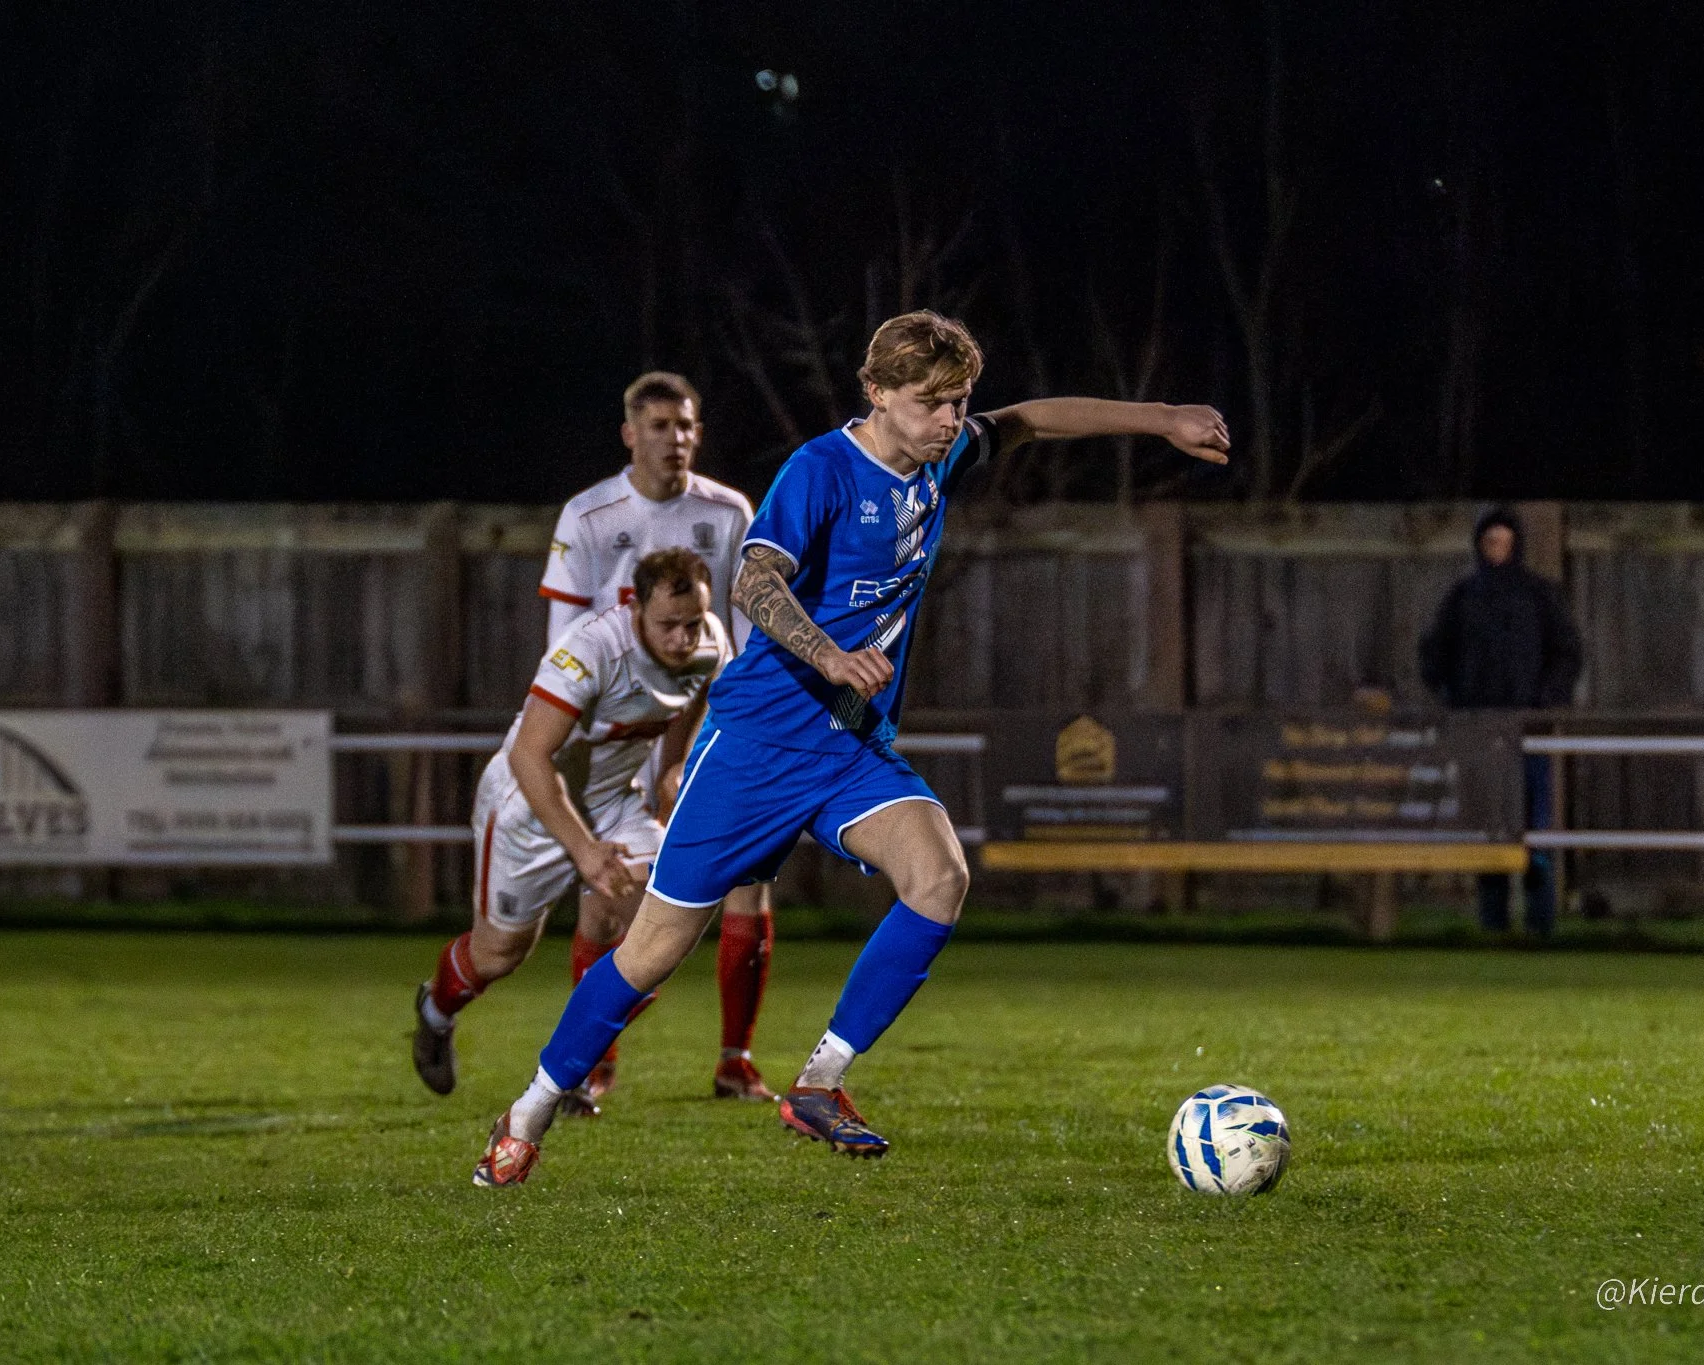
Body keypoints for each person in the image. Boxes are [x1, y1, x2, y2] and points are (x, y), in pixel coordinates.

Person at [470, 311, 1231, 1186]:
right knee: (648, 954)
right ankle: (527, 1111)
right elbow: (755, 581)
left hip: (846, 750)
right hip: (756, 745)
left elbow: (1029, 418)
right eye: (929, 402)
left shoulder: (938, 457)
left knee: (940, 876)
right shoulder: (823, 470)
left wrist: (1164, 416)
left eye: (958, 402)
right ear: (876, 393)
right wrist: (828, 653)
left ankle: (819, 1082)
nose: (949, 420)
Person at [412, 549, 727, 1112]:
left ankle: (572, 1067)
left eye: (692, 623)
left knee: (665, 928)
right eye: (667, 625)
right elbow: (531, 757)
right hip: (529, 806)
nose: (683, 639)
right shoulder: (591, 649)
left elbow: (707, 695)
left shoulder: (710, 641)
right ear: (635, 606)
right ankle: (435, 1012)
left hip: (612, 801)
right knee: (500, 953)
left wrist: (677, 762)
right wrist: (583, 851)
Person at [538, 371, 777, 1103]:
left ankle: (735, 1060)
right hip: (615, 736)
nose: (676, 438)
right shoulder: (587, 515)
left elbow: (741, 643)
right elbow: (565, 642)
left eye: (687, 425)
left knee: (747, 883)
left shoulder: (729, 512)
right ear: (630, 433)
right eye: (661, 425)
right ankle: (594, 1063)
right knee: (608, 902)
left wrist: (714, 739)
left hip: (712, 726)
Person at [1418, 506, 1582, 935]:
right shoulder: (1463, 597)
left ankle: (1541, 923)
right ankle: (1492, 924)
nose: (1498, 549)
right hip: (1480, 733)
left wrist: (1544, 704)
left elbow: (1567, 653)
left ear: (1517, 544)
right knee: (1487, 826)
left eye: (1505, 541)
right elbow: (1434, 656)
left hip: (1528, 732)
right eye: (1491, 541)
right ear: (1479, 544)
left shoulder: (1539, 596)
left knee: (1535, 827)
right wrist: (1458, 701)